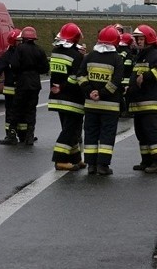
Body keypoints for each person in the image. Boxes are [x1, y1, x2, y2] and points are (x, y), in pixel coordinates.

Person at [77, 25, 124, 176]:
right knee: (106, 136)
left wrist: (90, 91)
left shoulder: (89, 56)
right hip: (110, 107)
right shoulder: (117, 59)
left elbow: (80, 75)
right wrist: (102, 93)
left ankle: (91, 165)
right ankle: (103, 166)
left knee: (90, 133)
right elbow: (116, 81)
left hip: (91, 105)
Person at [128, 25, 157, 173]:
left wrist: (145, 77)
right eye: (137, 38)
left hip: (149, 102)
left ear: (148, 39)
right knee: (141, 133)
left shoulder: (155, 55)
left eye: (140, 38)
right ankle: (147, 161)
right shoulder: (141, 55)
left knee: (151, 132)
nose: (138, 41)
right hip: (139, 102)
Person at [48, 23, 86, 170]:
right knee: (70, 130)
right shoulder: (76, 55)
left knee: (71, 129)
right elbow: (75, 77)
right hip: (72, 99)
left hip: (57, 98)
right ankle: (60, 160)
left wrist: (59, 87)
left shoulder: (55, 51)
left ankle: (75, 158)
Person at [11, 26, 50, 146]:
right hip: (34, 83)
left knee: (17, 108)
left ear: (23, 38)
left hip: (22, 82)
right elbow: (45, 68)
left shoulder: (19, 49)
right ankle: (29, 136)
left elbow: (14, 65)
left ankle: (12, 134)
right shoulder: (39, 50)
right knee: (31, 110)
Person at [0, 28, 22, 145]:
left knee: (23, 112)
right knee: (12, 113)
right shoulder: (8, 55)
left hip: (21, 89)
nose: (21, 42)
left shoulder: (21, 53)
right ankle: (11, 134)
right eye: (19, 40)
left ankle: (23, 134)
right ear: (13, 42)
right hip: (11, 90)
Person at [117, 32, 136, 116]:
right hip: (126, 79)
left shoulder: (117, 49)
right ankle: (127, 111)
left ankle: (120, 111)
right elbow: (128, 66)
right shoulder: (128, 52)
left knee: (119, 95)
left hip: (117, 78)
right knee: (128, 95)